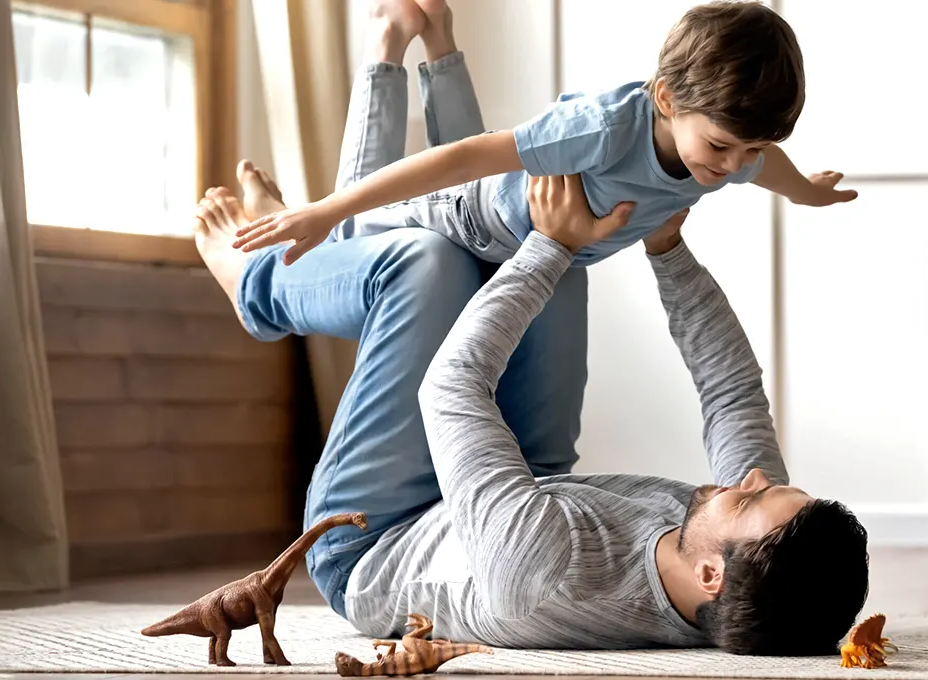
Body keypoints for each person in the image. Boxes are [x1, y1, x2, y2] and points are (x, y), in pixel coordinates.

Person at [188, 0, 869, 656]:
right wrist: (665, 247)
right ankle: (364, 133)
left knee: (430, 263)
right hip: (529, 487)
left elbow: (451, 389)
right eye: (771, 485)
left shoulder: (547, 571)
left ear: (712, 577)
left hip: (379, 536)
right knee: (521, 245)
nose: (749, 479)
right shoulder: (752, 560)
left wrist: (552, 245)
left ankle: (258, 280)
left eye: (752, 497)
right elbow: (732, 391)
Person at [228, 0, 857, 266]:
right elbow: (464, 157)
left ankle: (438, 32)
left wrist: (808, 192)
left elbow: (770, 167)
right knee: (350, 230)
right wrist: (328, 208)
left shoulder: (734, 149)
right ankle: (388, 37)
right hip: (474, 216)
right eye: (722, 146)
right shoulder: (605, 129)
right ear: (665, 97)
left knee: (496, 172)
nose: (734, 165)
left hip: (510, 216)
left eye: (750, 148)